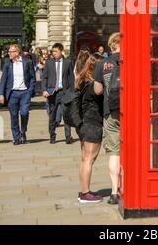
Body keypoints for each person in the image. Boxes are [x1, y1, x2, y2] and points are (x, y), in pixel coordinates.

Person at [94, 32, 120, 205]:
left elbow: (97, 90)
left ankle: (114, 191)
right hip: (131, 110)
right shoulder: (133, 60)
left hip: (110, 111)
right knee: (132, 150)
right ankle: (129, 187)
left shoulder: (102, 63)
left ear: (111, 46)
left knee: (114, 152)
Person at [75, 55, 104, 203]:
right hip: (93, 123)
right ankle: (85, 194)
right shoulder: (94, 85)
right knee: (89, 159)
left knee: (84, 159)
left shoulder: (83, 81)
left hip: (84, 123)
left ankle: (83, 191)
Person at [0, 44, 35, 144]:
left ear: (17, 52)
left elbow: (32, 78)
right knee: (14, 116)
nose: (9, 53)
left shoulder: (28, 62)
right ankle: (16, 137)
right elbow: (3, 80)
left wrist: (30, 90)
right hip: (12, 93)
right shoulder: (7, 64)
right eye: (9, 51)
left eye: (11, 52)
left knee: (24, 112)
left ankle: (23, 131)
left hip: (25, 93)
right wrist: (1, 94)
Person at [41, 42, 74, 144]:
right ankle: (52, 135)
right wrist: (44, 90)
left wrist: (71, 92)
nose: (54, 53)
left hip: (64, 92)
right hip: (52, 93)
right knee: (52, 116)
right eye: (53, 51)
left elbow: (71, 78)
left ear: (61, 51)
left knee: (66, 115)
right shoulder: (49, 62)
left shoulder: (68, 62)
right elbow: (44, 78)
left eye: (56, 51)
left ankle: (68, 136)